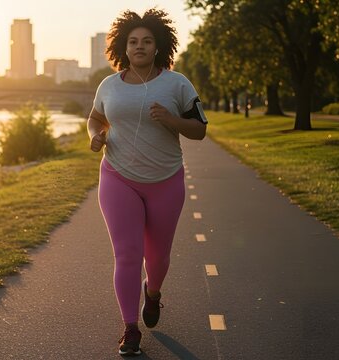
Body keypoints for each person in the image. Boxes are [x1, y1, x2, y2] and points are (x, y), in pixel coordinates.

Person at [87, 8, 208, 356]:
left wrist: (171, 119)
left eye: (146, 41)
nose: (139, 46)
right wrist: (95, 135)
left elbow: (200, 130)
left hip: (165, 180)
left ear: (159, 47)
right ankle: (129, 328)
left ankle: (152, 293)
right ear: (124, 48)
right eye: (133, 41)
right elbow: (95, 119)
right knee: (127, 254)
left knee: (158, 258)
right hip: (118, 177)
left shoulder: (177, 83)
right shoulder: (108, 85)